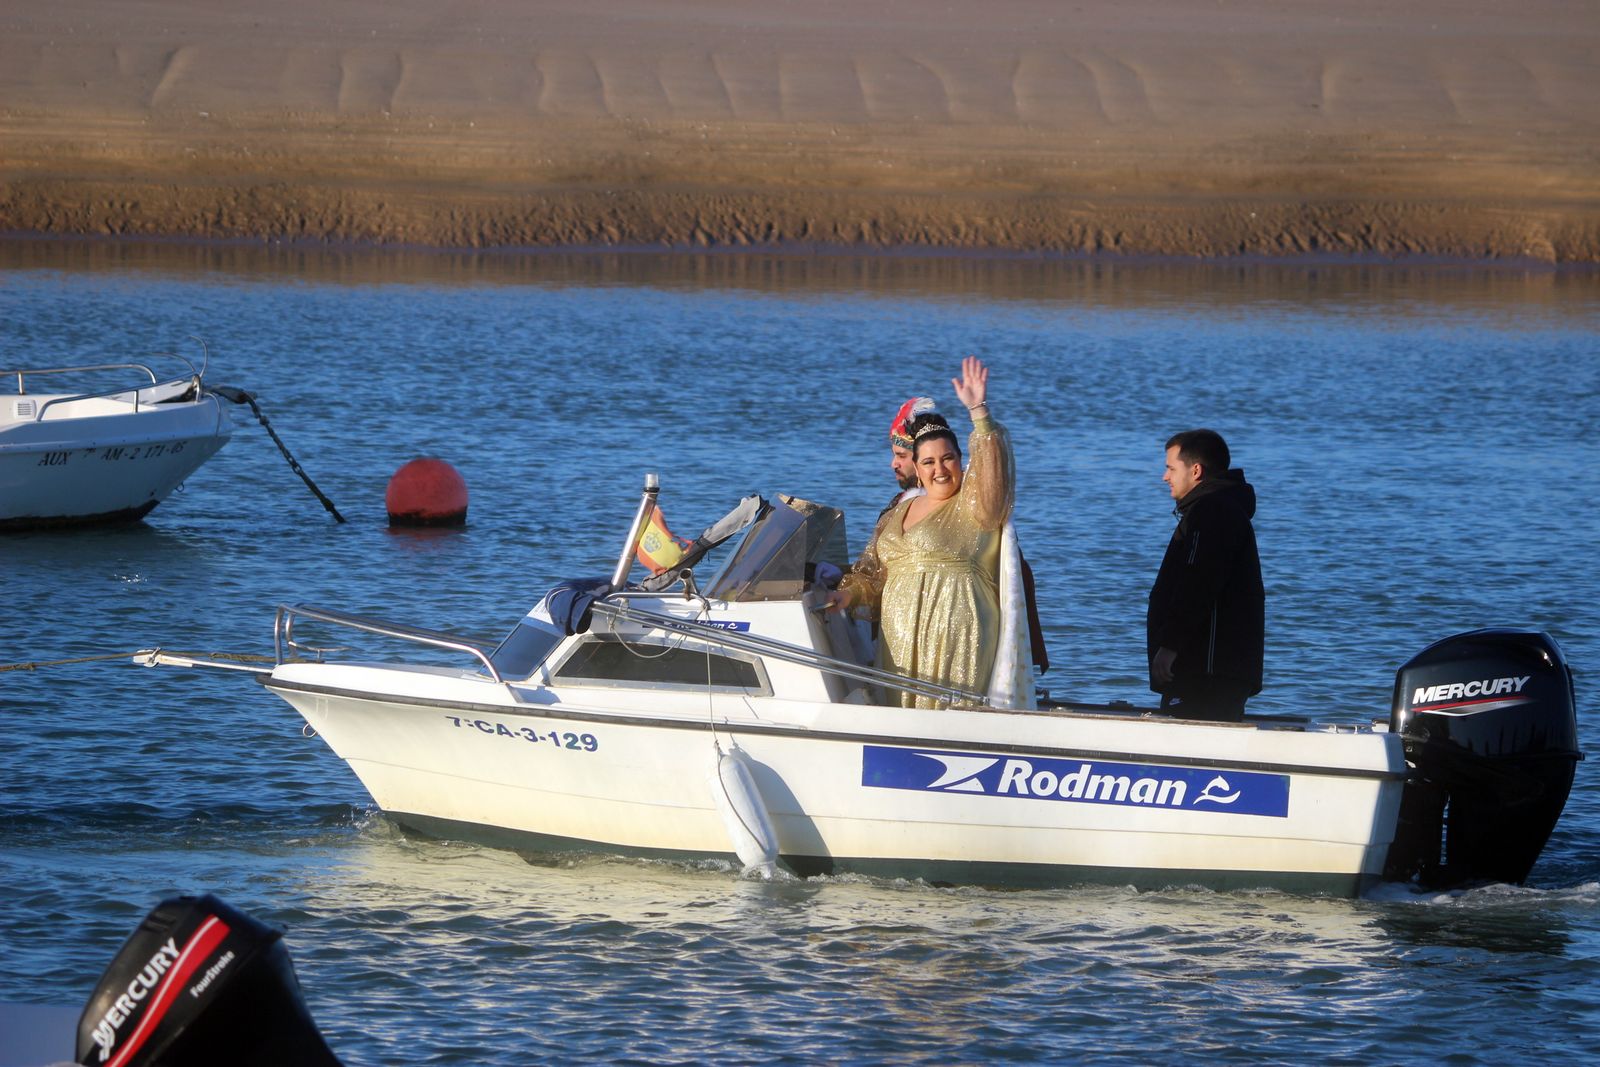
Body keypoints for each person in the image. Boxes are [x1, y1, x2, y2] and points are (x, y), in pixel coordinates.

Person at [831, 357, 1023, 708]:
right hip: (899, 637)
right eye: (929, 462)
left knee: (948, 716)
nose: (940, 469)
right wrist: (847, 596)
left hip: (956, 628)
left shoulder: (976, 505)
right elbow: (875, 576)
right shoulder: (897, 512)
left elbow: (993, 470)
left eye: (948, 458)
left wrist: (979, 412)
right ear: (916, 469)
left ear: (963, 461)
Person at [1146, 429, 1265, 722]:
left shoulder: (1212, 512)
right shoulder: (1214, 509)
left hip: (1206, 673)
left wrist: (1170, 646)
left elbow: (1198, 582)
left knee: (1180, 755)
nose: (1165, 477)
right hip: (1212, 673)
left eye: (1171, 468)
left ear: (1195, 470)